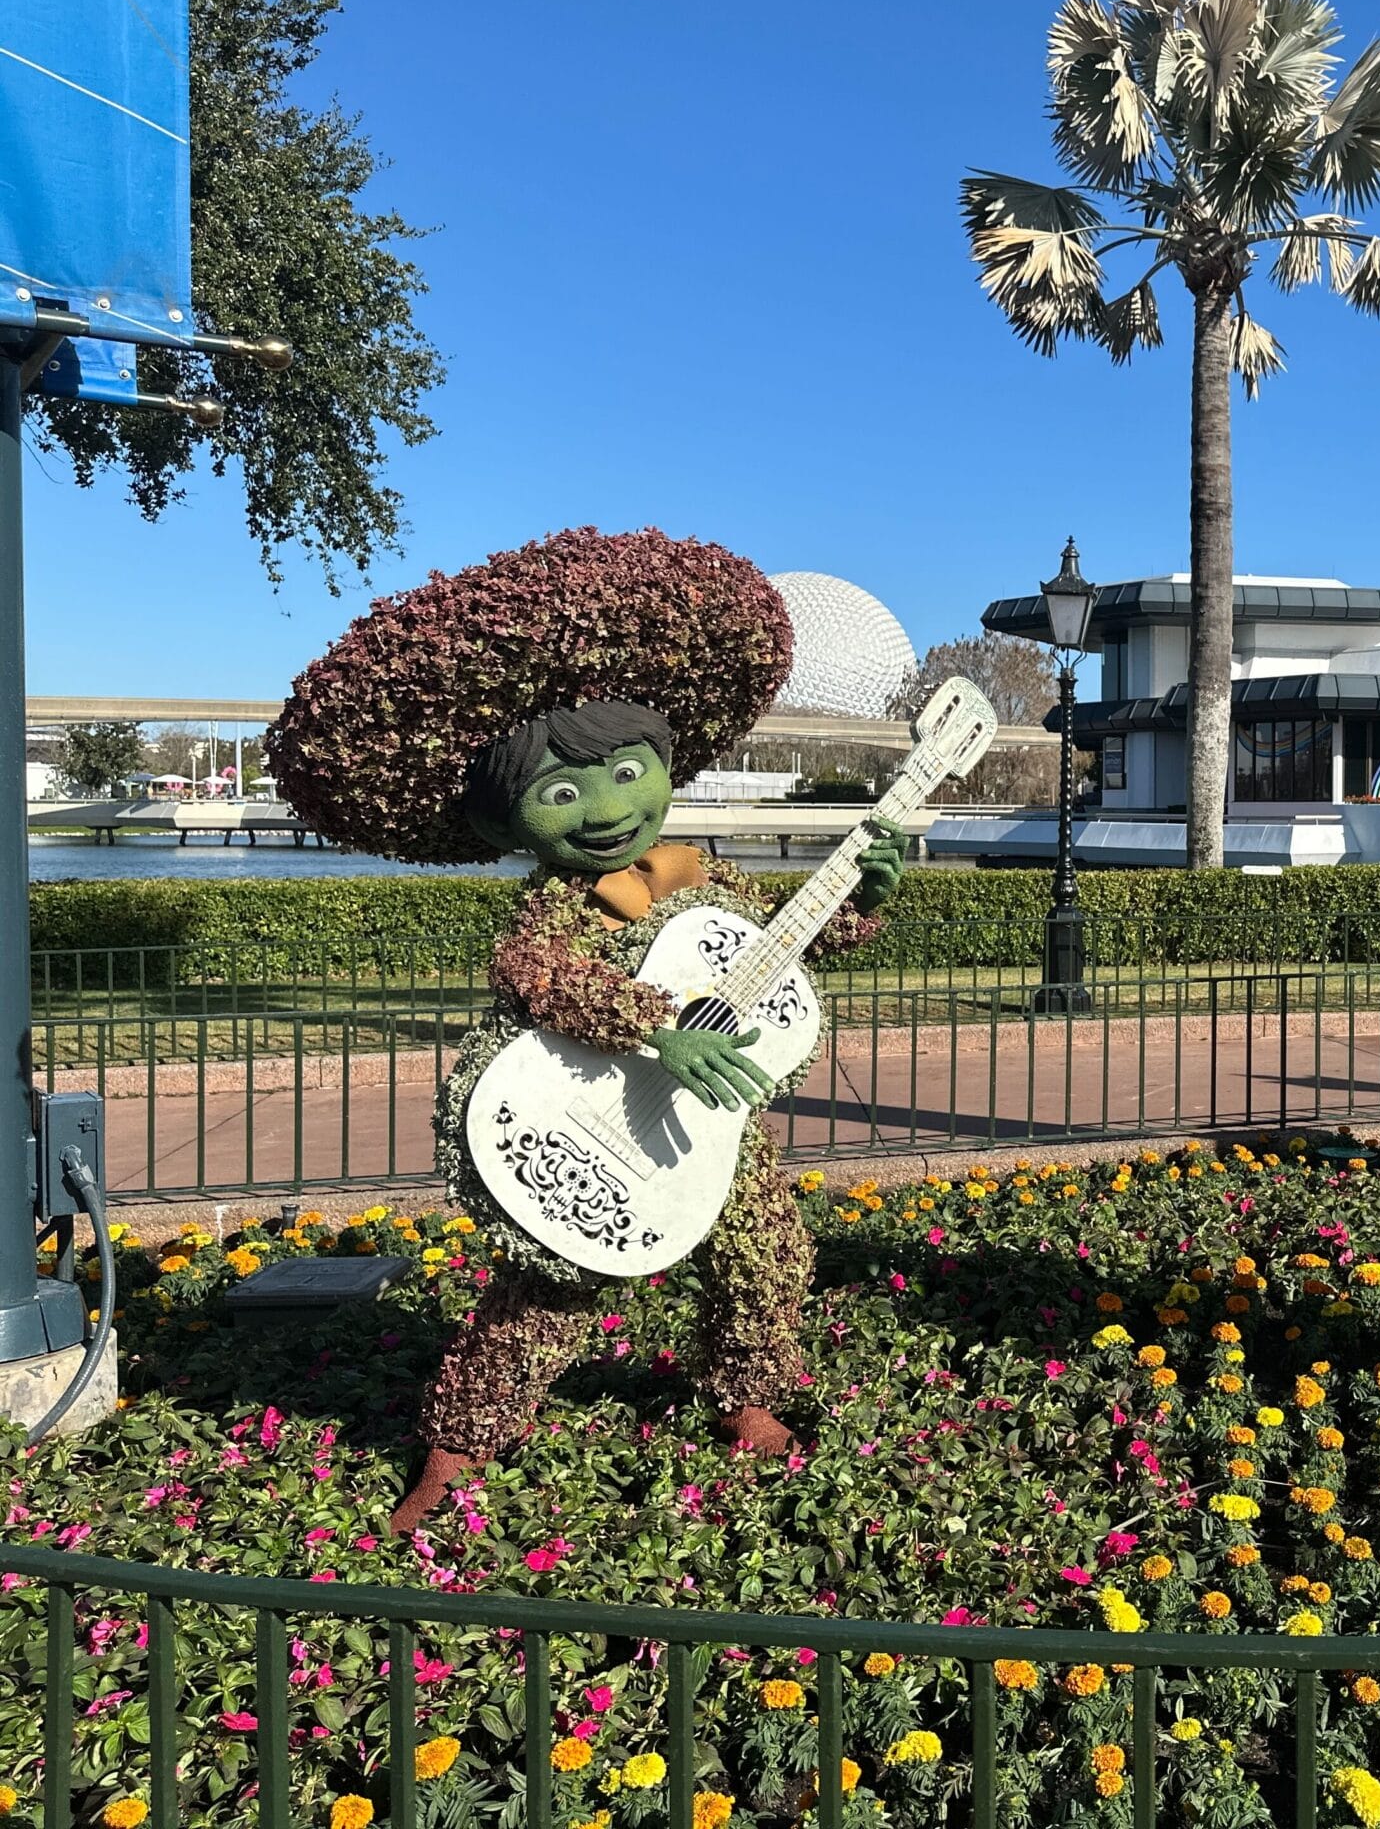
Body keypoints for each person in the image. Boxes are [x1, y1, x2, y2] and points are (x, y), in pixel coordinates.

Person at [266, 526, 906, 1535]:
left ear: (666, 762)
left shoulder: (705, 878)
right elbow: (536, 975)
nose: (605, 809)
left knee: (765, 1253)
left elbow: (780, 947)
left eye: (627, 772)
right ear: (506, 820)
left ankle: (745, 1397)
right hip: (589, 1117)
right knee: (549, 1292)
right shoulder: (567, 904)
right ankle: (457, 1449)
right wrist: (658, 1030)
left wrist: (857, 900)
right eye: (561, 793)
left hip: (707, 1127)